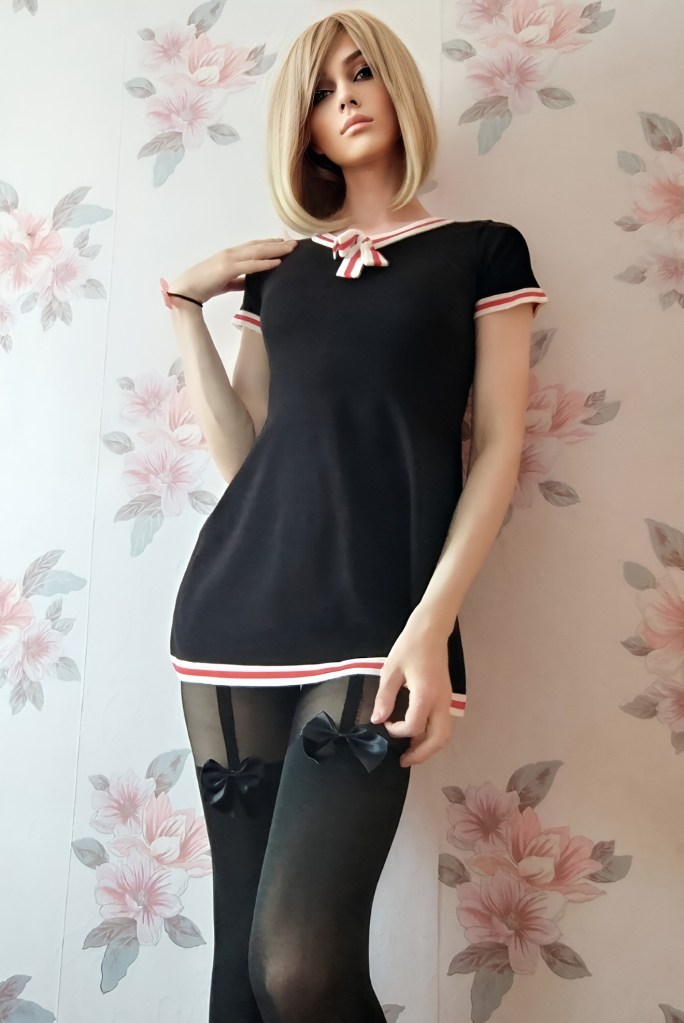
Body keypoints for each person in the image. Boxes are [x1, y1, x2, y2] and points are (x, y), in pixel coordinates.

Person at [160, 9, 548, 1022]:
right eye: (323, 93)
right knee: (239, 982)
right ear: (306, 131)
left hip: (381, 619)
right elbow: (245, 455)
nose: (348, 99)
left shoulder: (482, 252)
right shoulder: (279, 272)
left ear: (396, 88)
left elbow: (498, 448)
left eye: (362, 74)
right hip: (235, 613)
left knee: (299, 968)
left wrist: (431, 625)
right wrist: (184, 310)